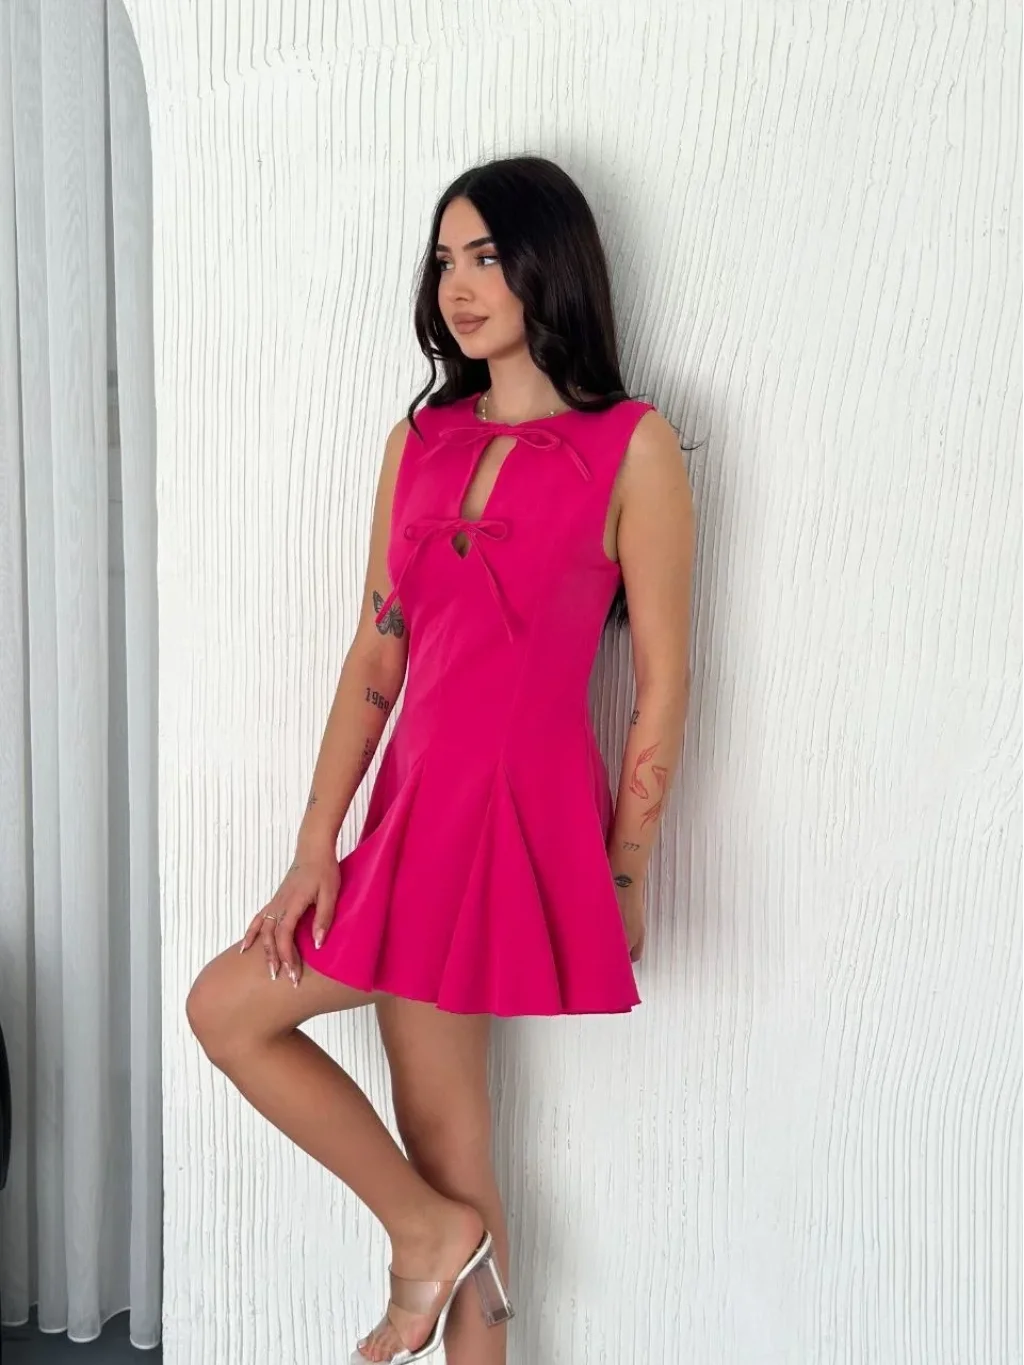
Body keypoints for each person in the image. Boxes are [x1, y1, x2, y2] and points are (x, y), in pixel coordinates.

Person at [186, 153, 694, 1365]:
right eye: (444, 260)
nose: (457, 286)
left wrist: (628, 871)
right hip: (413, 817)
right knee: (292, 1054)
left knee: (316, 1064)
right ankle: (427, 1229)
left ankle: (429, 1231)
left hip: (512, 820)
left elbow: (663, 688)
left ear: (548, 266)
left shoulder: (633, 446)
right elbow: (379, 648)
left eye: (486, 257)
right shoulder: (418, 440)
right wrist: (315, 846)